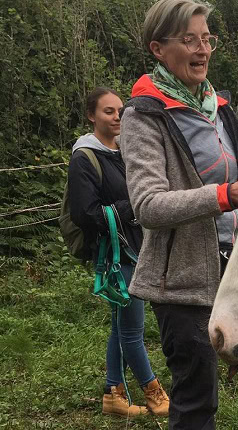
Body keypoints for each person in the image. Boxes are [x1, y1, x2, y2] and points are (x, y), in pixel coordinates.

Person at [120, 0, 238, 430]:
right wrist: (225, 194)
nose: (202, 50)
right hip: (182, 280)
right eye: (189, 39)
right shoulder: (143, 116)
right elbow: (148, 205)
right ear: (158, 49)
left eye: (207, 39)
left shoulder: (220, 107)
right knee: (197, 398)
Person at [67, 87, 170, 418]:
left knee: (121, 324)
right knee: (132, 329)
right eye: (108, 111)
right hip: (115, 253)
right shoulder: (85, 157)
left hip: (136, 247)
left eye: (120, 111)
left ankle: (113, 394)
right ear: (91, 116)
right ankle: (154, 395)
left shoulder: (124, 152)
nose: (117, 117)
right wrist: (132, 207)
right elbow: (86, 214)